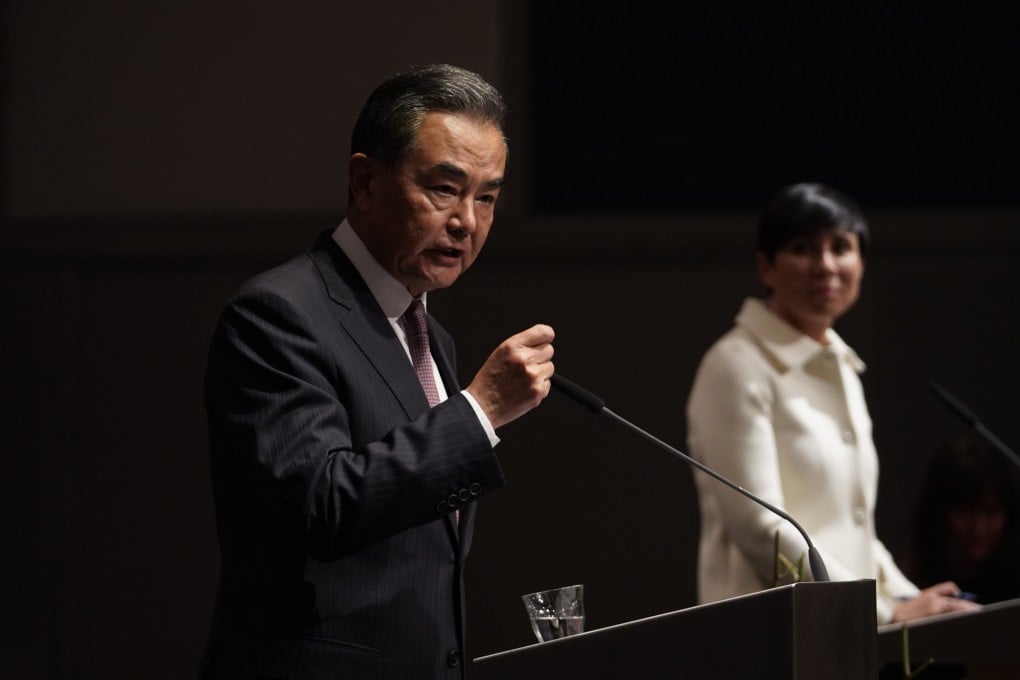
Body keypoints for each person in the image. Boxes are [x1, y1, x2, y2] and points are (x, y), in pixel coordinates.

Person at [200, 64, 556, 679]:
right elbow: (323, 504)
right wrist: (480, 412)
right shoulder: (279, 313)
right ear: (365, 181)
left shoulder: (430, 337)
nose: (467, 221)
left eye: (487, 197)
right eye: (445, 189)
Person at [685, 182, 980, 625]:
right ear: (766, 267)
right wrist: (886, 612)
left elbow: (854, 532)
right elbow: (762, 530)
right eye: (802, 248)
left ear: (861, 263)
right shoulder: (735, 364)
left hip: (841, 634)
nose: (825, 266)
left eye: (840, 247)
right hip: (765, 638)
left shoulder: (840, 365)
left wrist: (914, 601)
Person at [905, 435, 1020, 604]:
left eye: (991, 513)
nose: (978, 529)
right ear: (939, 512)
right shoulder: (908, 588)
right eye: (965, 513)